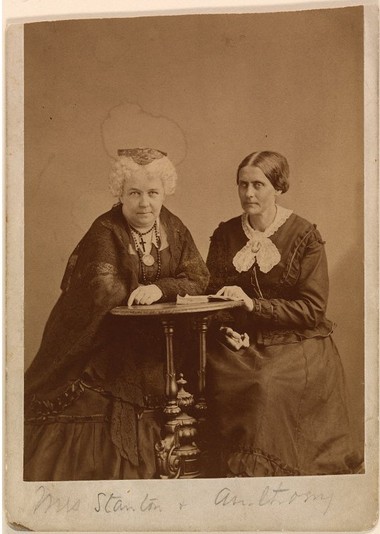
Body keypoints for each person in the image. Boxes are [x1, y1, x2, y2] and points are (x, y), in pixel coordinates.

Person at [24, 147, 209, 481]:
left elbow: (198, 278)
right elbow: (102, 291)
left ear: (164, 192)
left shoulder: (173, 227)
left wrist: (160, 289)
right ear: (120, 193)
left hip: (164, 344)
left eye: (153, 193)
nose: (144, 203)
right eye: (134, 193)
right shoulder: (105, 230)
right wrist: (146, 291)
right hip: (105, 342)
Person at [205, 150, 363, 477]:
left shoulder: (304, 236)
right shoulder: (225, 235)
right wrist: (225, 329)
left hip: (295, 341)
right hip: (241, 342)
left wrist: (252, 304)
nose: (249, 193)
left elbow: (313, 309)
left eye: (258, 185)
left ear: (278, 187)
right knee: (203, 372)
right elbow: (212, 297)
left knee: (265, 384)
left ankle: (269, 479)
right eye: (242, 184)